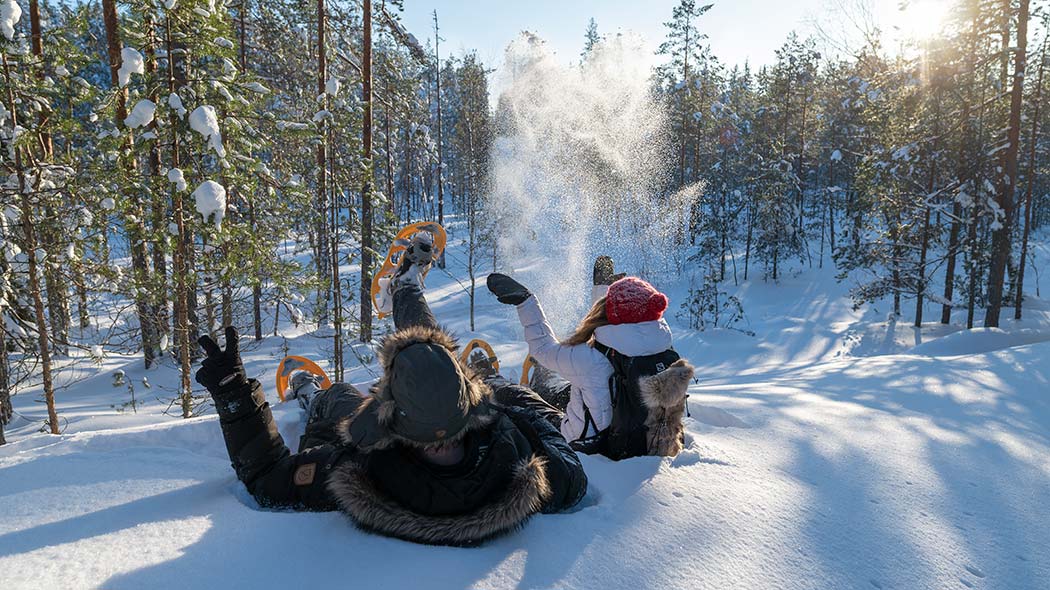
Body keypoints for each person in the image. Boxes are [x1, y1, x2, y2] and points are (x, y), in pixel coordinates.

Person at [195, 233, 587, 546]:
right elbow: (571, 472)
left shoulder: (368, 471)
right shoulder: (524, 464)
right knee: (434, 366)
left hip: (359, 436)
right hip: (474, 427)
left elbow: (267, 481)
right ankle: (406, 287)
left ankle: (311, 394)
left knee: (341, 401)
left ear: (391, 419)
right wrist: (516, 416)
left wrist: (234, 396)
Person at [486, 258, 695, 459]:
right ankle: (542, 381)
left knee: (521, 397)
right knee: (571, 388)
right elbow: (619, 324)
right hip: (645, 440)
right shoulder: (665, 350)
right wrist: (602, 288)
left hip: (587, 443)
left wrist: (526, 301)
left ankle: (488, 379)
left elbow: (542, 349)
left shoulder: (592, 358)